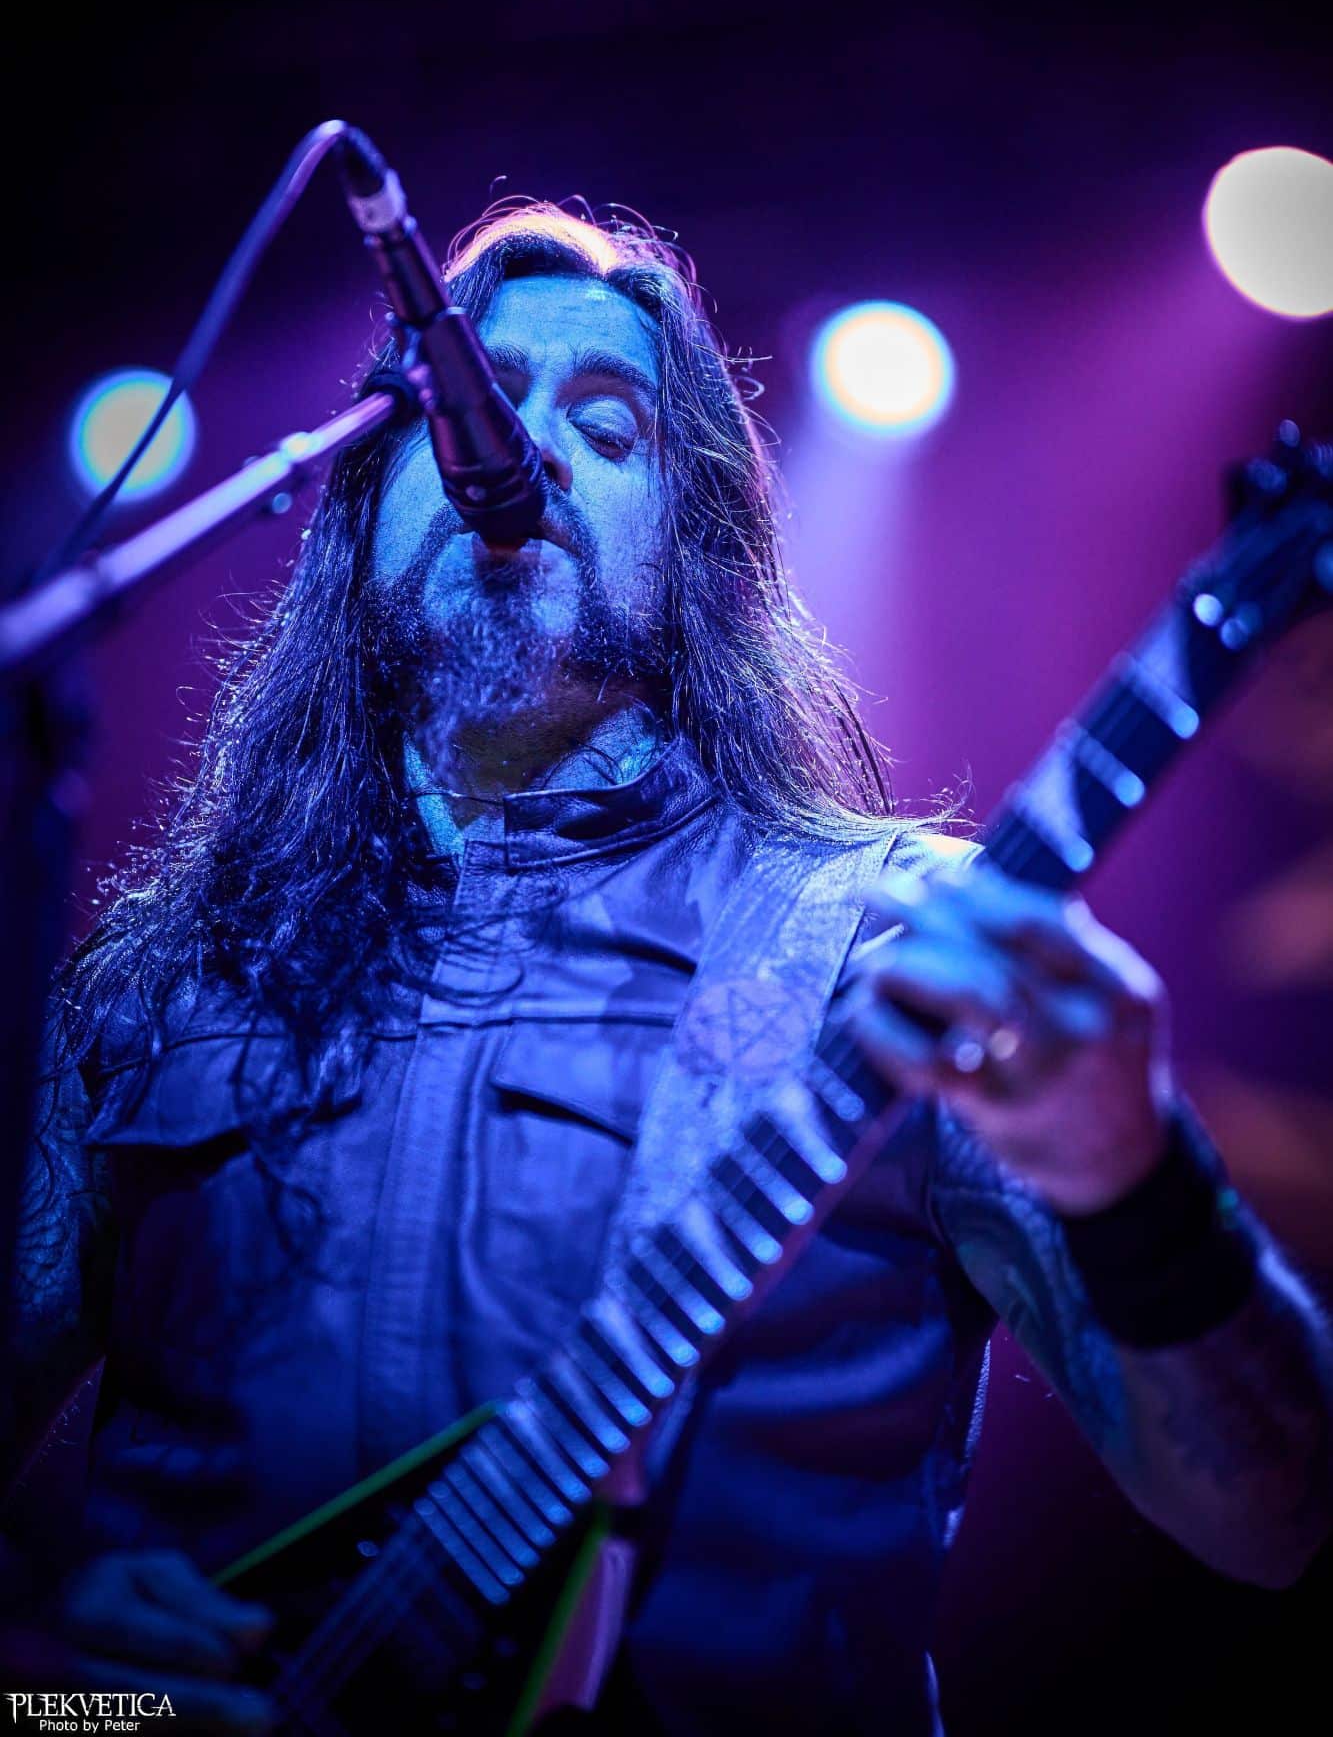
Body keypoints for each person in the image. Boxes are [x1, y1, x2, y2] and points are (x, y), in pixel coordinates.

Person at [5, 202, 1331, 1734]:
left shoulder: (894, 947)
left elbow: (1276, 1516)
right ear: (358, 508)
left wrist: (1130, 1177)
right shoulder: (157, 985)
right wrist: (45, 1678)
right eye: (465, 406)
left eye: (606, 426)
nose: (518, 451)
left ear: (690, 550)